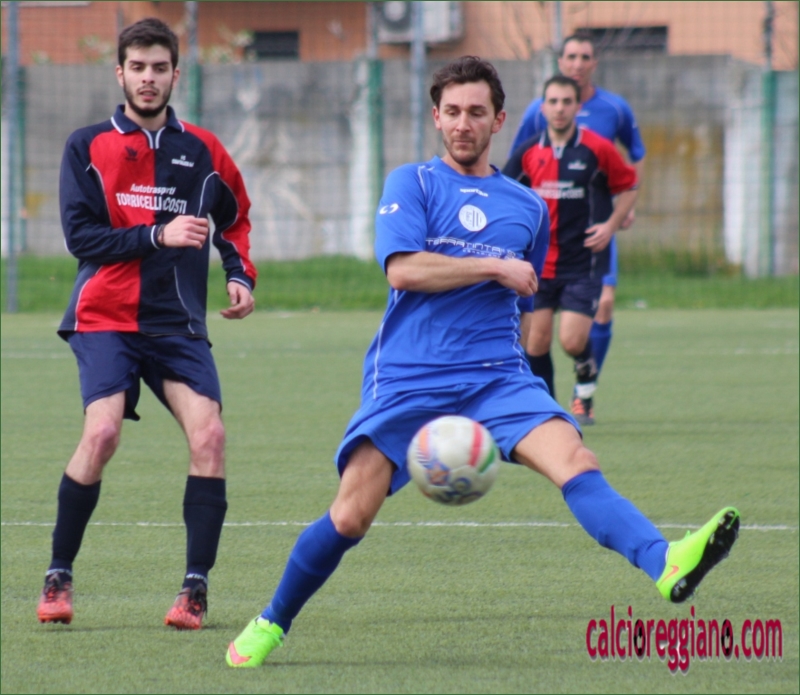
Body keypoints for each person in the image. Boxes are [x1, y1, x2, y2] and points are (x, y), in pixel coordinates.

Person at [225, 56, 738, 668]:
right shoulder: (412, 184)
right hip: (409, 378)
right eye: (452, 112)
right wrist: (493, 265)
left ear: (498, 120)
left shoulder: (527, 208)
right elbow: (403, 270)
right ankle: (271, 621)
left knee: (577, 460)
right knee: (352, 515)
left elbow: (525, 301)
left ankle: (664, 561)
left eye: (475, 112)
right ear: (436, 118)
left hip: (497, 379)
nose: (462, 123)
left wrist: (530, 378)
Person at [36, 18, 257, 631]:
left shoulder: (204, 151)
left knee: (210, 436)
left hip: (177, 323)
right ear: (121, 73)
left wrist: (239, 274)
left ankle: (195, 589)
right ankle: (59, 573)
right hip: (105, 316)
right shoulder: (86, 146)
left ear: (175, 74)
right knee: (103, 433)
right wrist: (159, 234)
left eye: (160, 68)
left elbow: (234, 219)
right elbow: (81, 237)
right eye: (138, 67)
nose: (149, 78)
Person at [509, 32, 646, 423]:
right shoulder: (529, 149)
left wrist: (613, 223)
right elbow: (505, 188)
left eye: (566, 102)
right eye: (552, 102)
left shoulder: (599, 143)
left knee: (571, 339)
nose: (559, 108)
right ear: (543, 107)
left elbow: (631, 181)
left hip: (582, 259)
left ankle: (584, 379)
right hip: (539, 260)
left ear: (576, 105)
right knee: (535, 341)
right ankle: (549, 412)